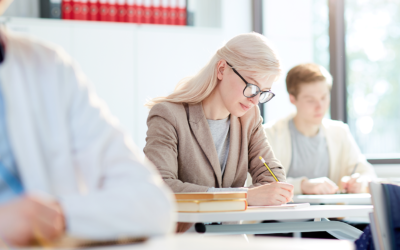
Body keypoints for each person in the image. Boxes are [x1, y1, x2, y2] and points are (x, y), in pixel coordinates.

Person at [0, 0, 175, 246]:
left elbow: (153, 206)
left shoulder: (49, 67)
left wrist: (58, 214)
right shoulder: (170, 114)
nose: (251, 98)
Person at [143, 33, 294, 209]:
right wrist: (243, 196)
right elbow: (160, 186)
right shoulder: (168, 115)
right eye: (252, 87)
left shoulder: (249, 118)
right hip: (185, 234)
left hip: (231, 235)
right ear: (222, 69)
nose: (254, 100)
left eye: (263, 92)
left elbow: (273, 180)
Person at [264, 63, 376, 195]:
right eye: (310, 100)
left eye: (324, 97)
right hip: (282, 215)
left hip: (330, 215)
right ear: (292, 99)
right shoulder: (269, 134)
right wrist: (303, 186)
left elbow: (367, 173)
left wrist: (360, 182)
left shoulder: (339, 132)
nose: (320, 106)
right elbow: (259, 184)